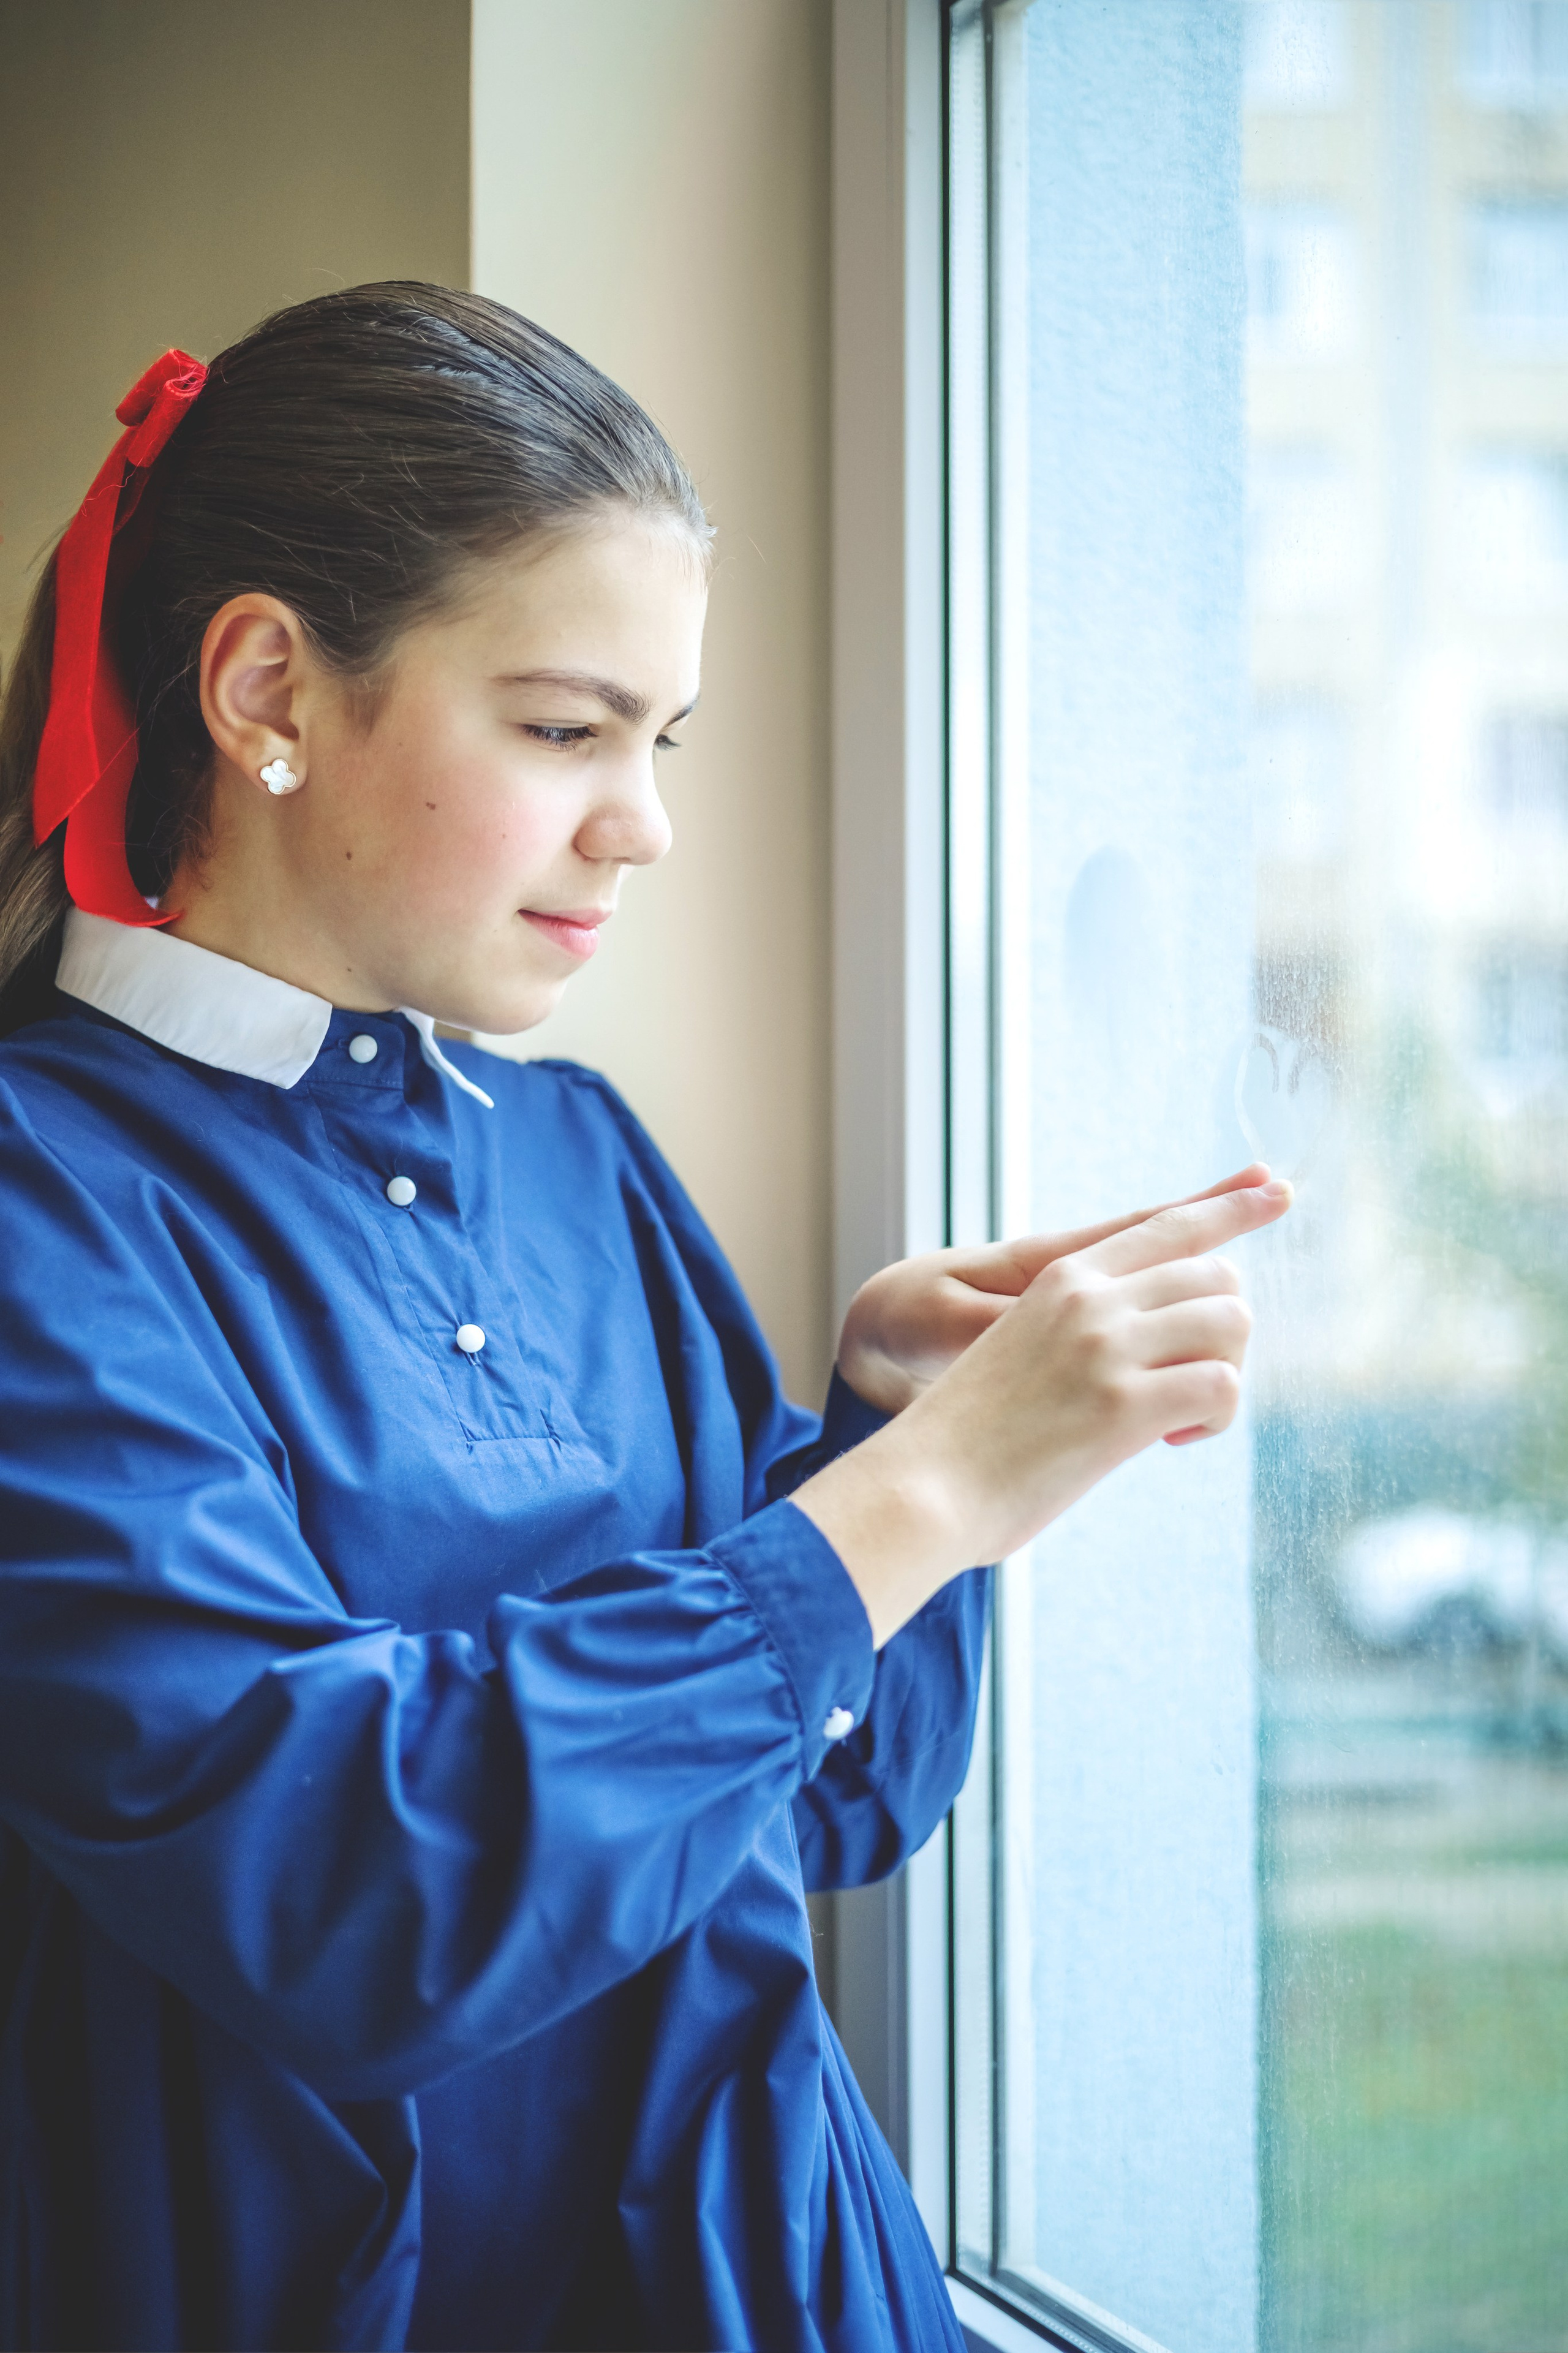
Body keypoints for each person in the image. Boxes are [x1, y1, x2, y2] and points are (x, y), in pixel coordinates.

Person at [0, 283, 1289, 2353]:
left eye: (660, 739)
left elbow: (836, 1807)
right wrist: (917, 1503)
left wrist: (890, 1433)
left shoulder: (581, 1148)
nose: (646, 819)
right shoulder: (41, 1199)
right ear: (267, 685)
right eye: (564, 725)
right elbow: (337, 1896)